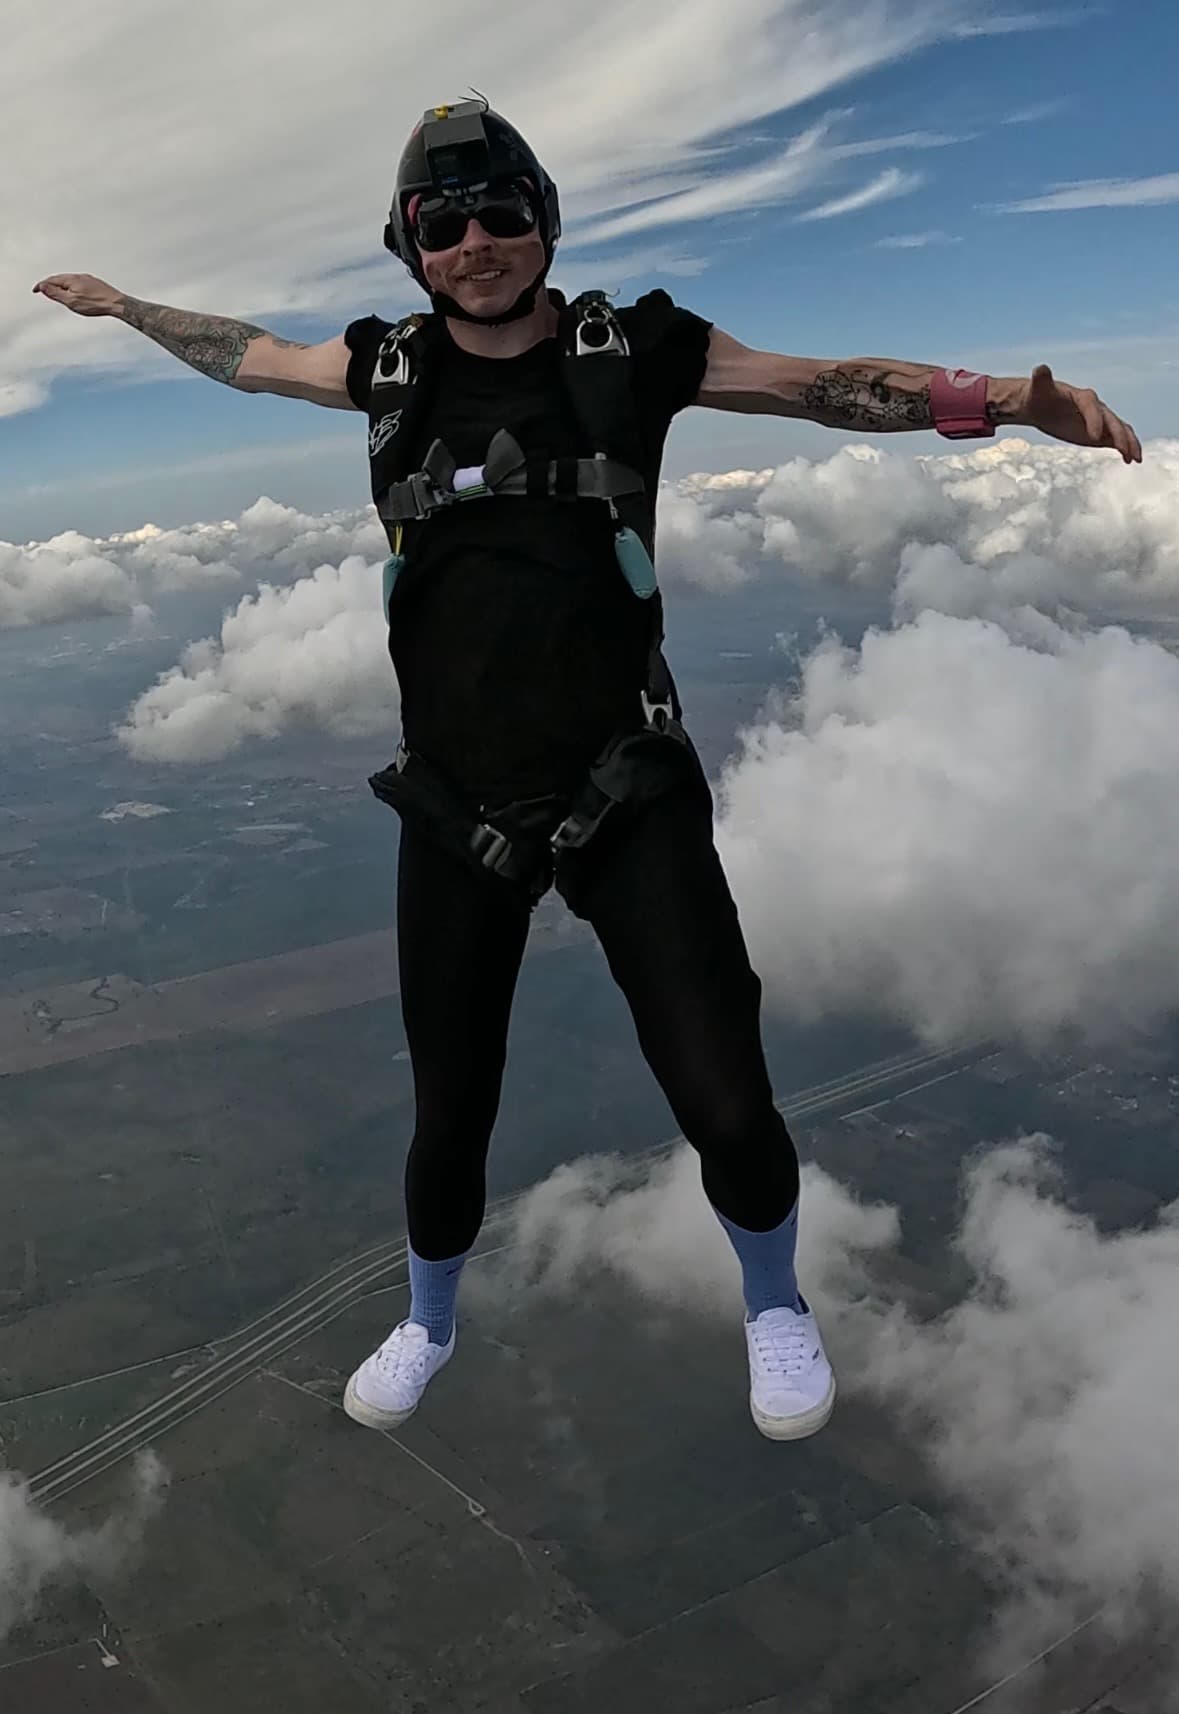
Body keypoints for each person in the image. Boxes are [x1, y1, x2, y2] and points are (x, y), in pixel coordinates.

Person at [34, 99, 1142, 1445]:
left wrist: (1001, 403)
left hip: (626, 781)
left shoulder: (636, 348)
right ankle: (430, 1320)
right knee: (450, 1114)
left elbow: (818, 384)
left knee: (724, 1089)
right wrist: (127, 308)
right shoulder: (388, 367)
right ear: (409, 245)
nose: (477, 244)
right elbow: (251, 358)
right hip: (453, 801)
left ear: (546, 220)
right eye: (444, 224)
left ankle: (773, 1302)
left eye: (501, 212)